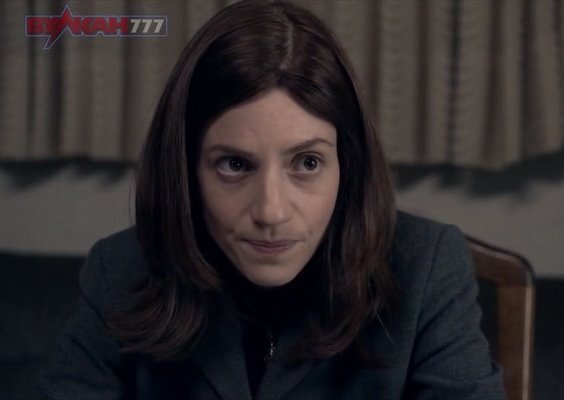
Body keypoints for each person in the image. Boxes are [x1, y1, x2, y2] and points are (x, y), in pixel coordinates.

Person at [37, 1, 505, 399]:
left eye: (307, 163)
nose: (271, 212)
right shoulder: (120, 270)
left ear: (348, 164)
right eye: (234, 165)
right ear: (185, 170)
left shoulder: (426, 268)